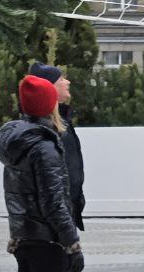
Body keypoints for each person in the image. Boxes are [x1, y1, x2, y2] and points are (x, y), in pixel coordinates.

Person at [0, 75, 85, 272]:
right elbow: (53, 202)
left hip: (24, 238)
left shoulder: (18, 143)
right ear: (48, 104)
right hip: (48, 244)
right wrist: (72, 244)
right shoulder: (44, 147)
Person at [29, 62, 85, 232]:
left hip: (63, 215)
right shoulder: (47, 126)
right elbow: (51, 181)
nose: (67, 82)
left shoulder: (60, 121)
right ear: (50, 87)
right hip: (54, 221)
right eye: (61, 78)